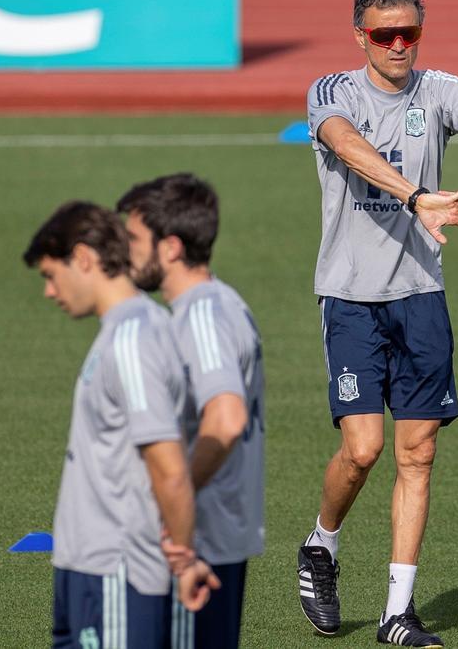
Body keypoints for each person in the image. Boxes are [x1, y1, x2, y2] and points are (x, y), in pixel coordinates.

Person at [298, 0, 458, 647]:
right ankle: (322, 545)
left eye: (409, 34)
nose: (397, 45)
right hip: (353, 296)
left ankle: (398, 612)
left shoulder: (439, 90)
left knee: (416, 454)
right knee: (363, 449)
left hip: (421, 297)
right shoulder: (332, 91)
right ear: (360, 36)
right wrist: (417, 196)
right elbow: (344, 144)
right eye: (383, 34)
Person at [22, 201, 220, 649]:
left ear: (84, 259)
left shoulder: (133, 339)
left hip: (115, 568)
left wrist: (185, 560)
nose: (49, 293)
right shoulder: (124, 331)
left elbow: (168, 465)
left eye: (51, 276)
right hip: (87, 565)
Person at [116, 174, 265, 649]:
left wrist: (174, 496)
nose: (125, 252)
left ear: (172, 247)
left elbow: (226, 418)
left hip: (194, 540)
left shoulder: (200, 316)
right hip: (210, 536)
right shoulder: (222, 303)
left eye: (135, 239)